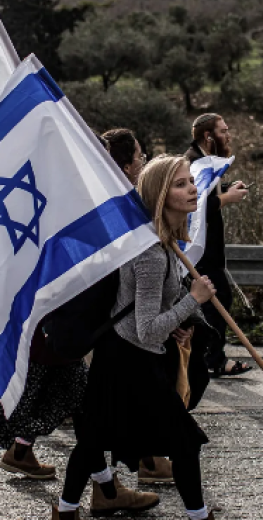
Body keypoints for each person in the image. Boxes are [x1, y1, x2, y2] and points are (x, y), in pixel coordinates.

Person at [0, 133, 156, 520]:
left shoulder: (93, 205)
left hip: (60, 337)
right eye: (139, 157)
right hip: (39, 336)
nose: (141, 164)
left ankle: (107, 490)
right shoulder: (79, 206)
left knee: (82, 410)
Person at [52, 155, 219, 520]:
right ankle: (199, 515)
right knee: (184, 442)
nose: (192, 188)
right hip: (128, 359)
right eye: (180, 183)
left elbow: (153, 314)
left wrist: (183, 316)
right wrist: (194, 299)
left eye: (190, 181)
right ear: (160, 194)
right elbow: (146, 329)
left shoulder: (164, 244)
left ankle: (65, 512)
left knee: (95, 438)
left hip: (128, 355)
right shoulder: (150, 253)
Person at [101, 128, 179, 485]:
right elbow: (145, 321)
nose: (142, 161)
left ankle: (125, 475)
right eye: (139, 156)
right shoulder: (116, 207)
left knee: (98, 423)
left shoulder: (133, 212)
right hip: (113, 331)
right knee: (92, 424)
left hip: (123, 332)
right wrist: (193, 301)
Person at [184, 113, 252, 380]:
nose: (229, 135)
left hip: (209, 250)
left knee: (217, 300)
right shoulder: (193, 162)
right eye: (223, 131)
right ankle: (212, 360)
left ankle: (208, 357)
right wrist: (226, 198)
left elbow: (206, 194)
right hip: (201, 250)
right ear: (208, 136)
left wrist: (225, 188)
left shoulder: (203, 160)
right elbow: (197, 206)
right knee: (217, 299)